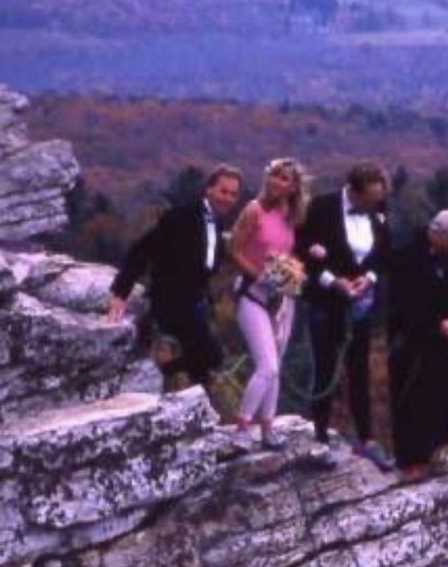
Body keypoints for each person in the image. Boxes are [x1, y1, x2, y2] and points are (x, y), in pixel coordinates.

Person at [109, 164, 243, 388]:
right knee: (211, 356)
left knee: (203, 364)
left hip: (193, 303)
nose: (228, 198)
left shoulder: (216, 224)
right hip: (171, 301)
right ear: (208, 190)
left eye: (233, 194)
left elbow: (206, 263)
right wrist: (120, 292)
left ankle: (196, 409)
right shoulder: (182, 217)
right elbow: (143, 250)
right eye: (223, 191)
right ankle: (154, 371)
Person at [298, 161, 391, 469]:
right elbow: (299, 253)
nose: (373, 205)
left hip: (360, 305)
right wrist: (331, 281)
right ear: (353, 191)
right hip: (326, 302)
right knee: (324, 370)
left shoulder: (378, 211)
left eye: (376, 201)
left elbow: (383, 256)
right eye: (368, 200)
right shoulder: (321, 207)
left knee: (359, 371)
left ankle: (367, 440)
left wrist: (371, 279)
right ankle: (319, 437)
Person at [229, 158, 311, 451]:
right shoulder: (254, 209)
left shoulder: (291, 214)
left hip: (282, 296)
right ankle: (241, 429)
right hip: (253, 293)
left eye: (285, 178)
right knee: (267, 366)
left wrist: (290, 279)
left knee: (277, 366)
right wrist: (259, 276)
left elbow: (284, 255)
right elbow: (234, 249)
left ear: (293, 187)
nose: (277, 181)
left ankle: (268, 428)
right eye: (275, 175)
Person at [388, 209, 448, 481]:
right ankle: (410, 462)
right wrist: (437, 322)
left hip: (441, 341)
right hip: (412, 341)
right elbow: (406, 303)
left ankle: (436, 450)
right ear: (441, 235)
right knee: (413, 400)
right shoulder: (409, 257)